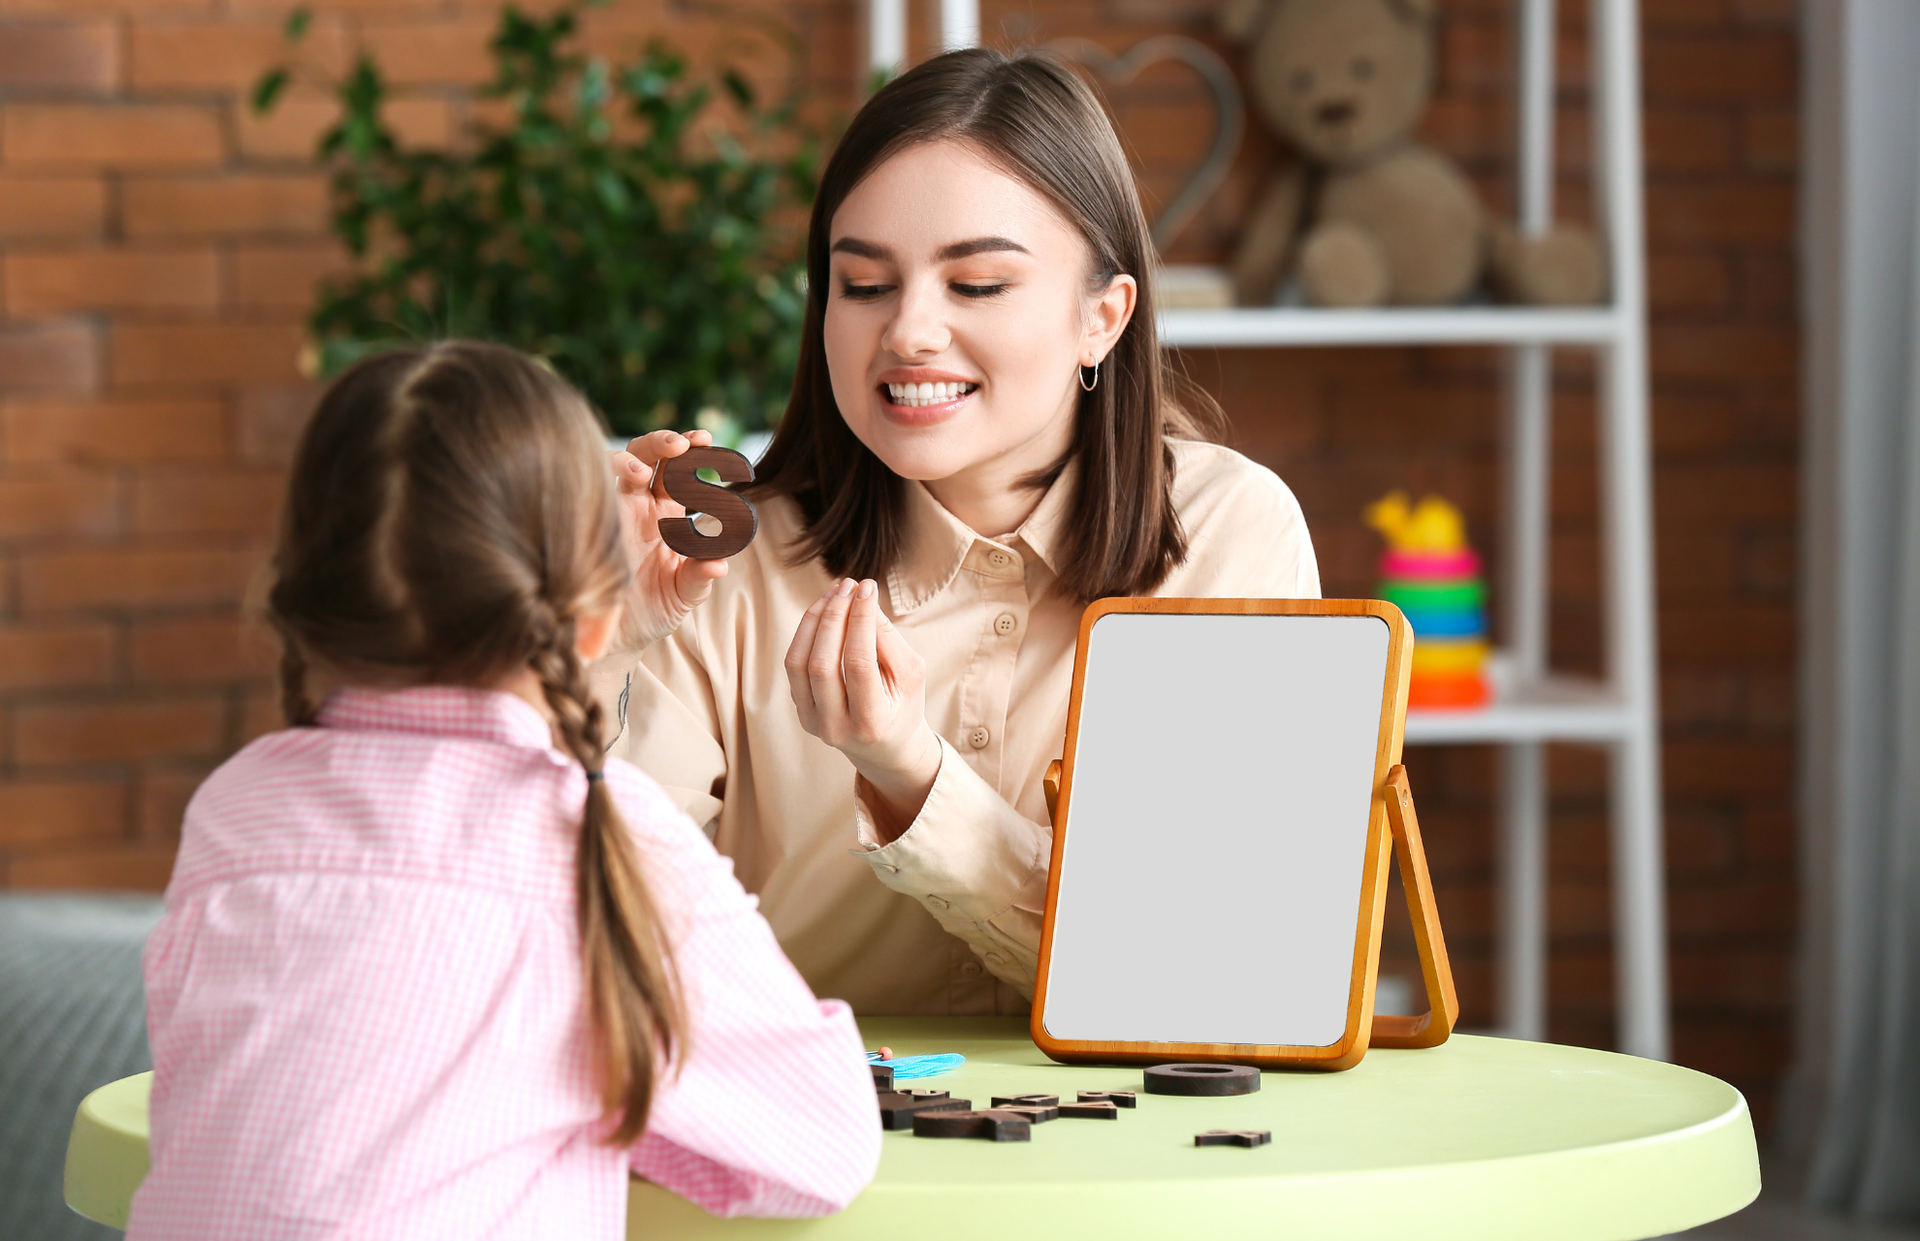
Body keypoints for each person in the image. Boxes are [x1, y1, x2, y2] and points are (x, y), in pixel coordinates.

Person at [593, 48, 1320, 1017]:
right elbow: (595, 951)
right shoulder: (718, 564)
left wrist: (914, 774)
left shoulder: (1229, 532)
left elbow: (1200, 976)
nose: (908, 332)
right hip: (807, 1113)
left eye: (975, 284)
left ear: (1103, 317)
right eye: (863, 285)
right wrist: (592, 646)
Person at [129, 343, 879, 1241]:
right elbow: (823, 1140)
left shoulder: (235, 809)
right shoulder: (600, 833)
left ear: (310, 600)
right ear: (593, 618)